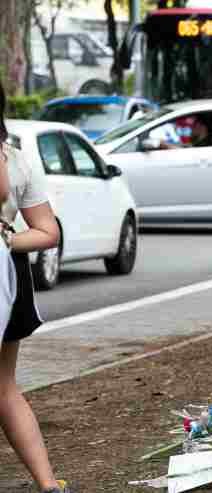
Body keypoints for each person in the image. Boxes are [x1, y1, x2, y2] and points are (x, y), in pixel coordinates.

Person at [0, 82, 67, 492]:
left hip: (4, 278)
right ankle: (48, 484)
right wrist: (6, 240)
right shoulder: (18, 159)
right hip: (11, 280)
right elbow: (47, 232)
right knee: (5, 387)